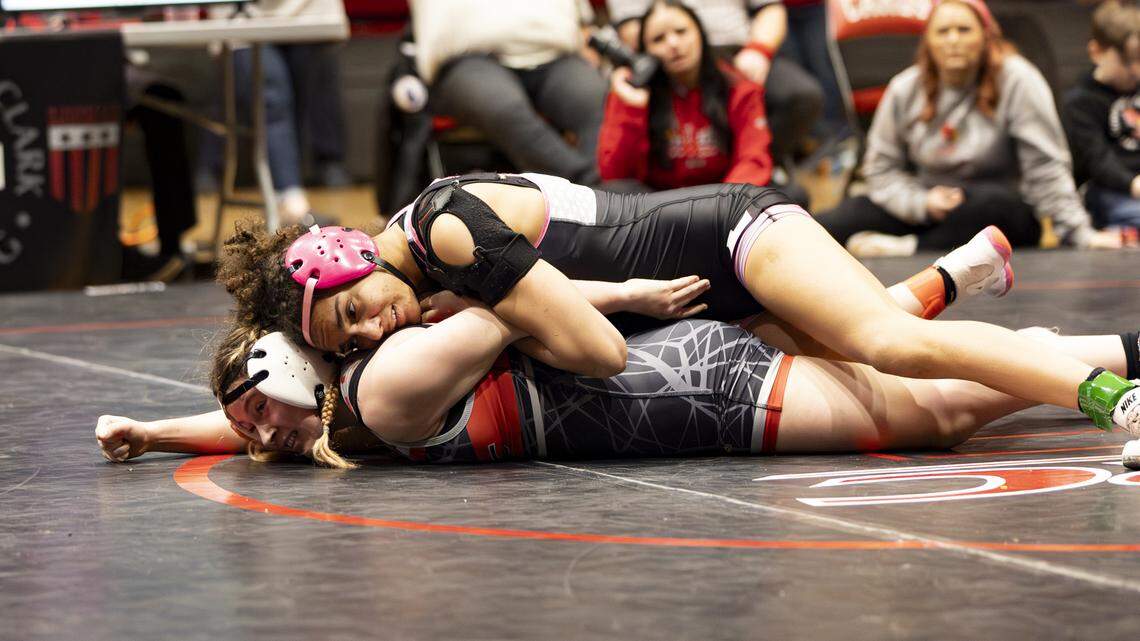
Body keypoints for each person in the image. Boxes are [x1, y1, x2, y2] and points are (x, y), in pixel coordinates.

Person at [95, 305, 1140, 469]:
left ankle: (1097, 371)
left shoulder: (385, 386)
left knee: (938, 409)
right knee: (929, 369)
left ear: (292, 375)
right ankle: (1111, 348)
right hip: (684, 382)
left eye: (256, 413)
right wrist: (151, 429)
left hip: (696, 385)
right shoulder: (334, 406)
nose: (259, 438)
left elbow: (510, 296)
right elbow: (258, 427)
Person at [815, 0, 1122, 256]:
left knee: (998, 212)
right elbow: (880, 171)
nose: (953, 40)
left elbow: (1045, 167)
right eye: (943, 31)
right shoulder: (905, 88)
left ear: (986, 37)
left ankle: (910, 249)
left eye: (964, 30)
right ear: (928, 41)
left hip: (990, 209)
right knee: (845, 215)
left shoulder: (1018, 80)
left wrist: (1081, 234)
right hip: (925, 204)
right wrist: (922, 203)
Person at [598, 0, 806, 204]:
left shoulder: (737, 85)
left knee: (792, 196)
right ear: (646, 51)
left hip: (726, 203)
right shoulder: (631, 94)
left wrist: (720, 207)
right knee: (613, 192)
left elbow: (753, 159)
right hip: (662, 211)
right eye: (658, 39)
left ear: (700, 34)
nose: (673, 44)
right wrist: (632, 109)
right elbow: (616, 175)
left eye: (681, 32)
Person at [408, 0, 605, 185]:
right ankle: (592, 190)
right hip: (467, 58)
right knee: (503, 108)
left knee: (598, 98)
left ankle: (603, 196)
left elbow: (583, 18)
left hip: (554, 53)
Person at [1061, 0, 1140, 232]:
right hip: (1108, 188)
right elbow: (1099, 161)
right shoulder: (1081, 102)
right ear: (1097, 52)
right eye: (1127, 61)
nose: (1137, 70)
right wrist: (1133, 184)